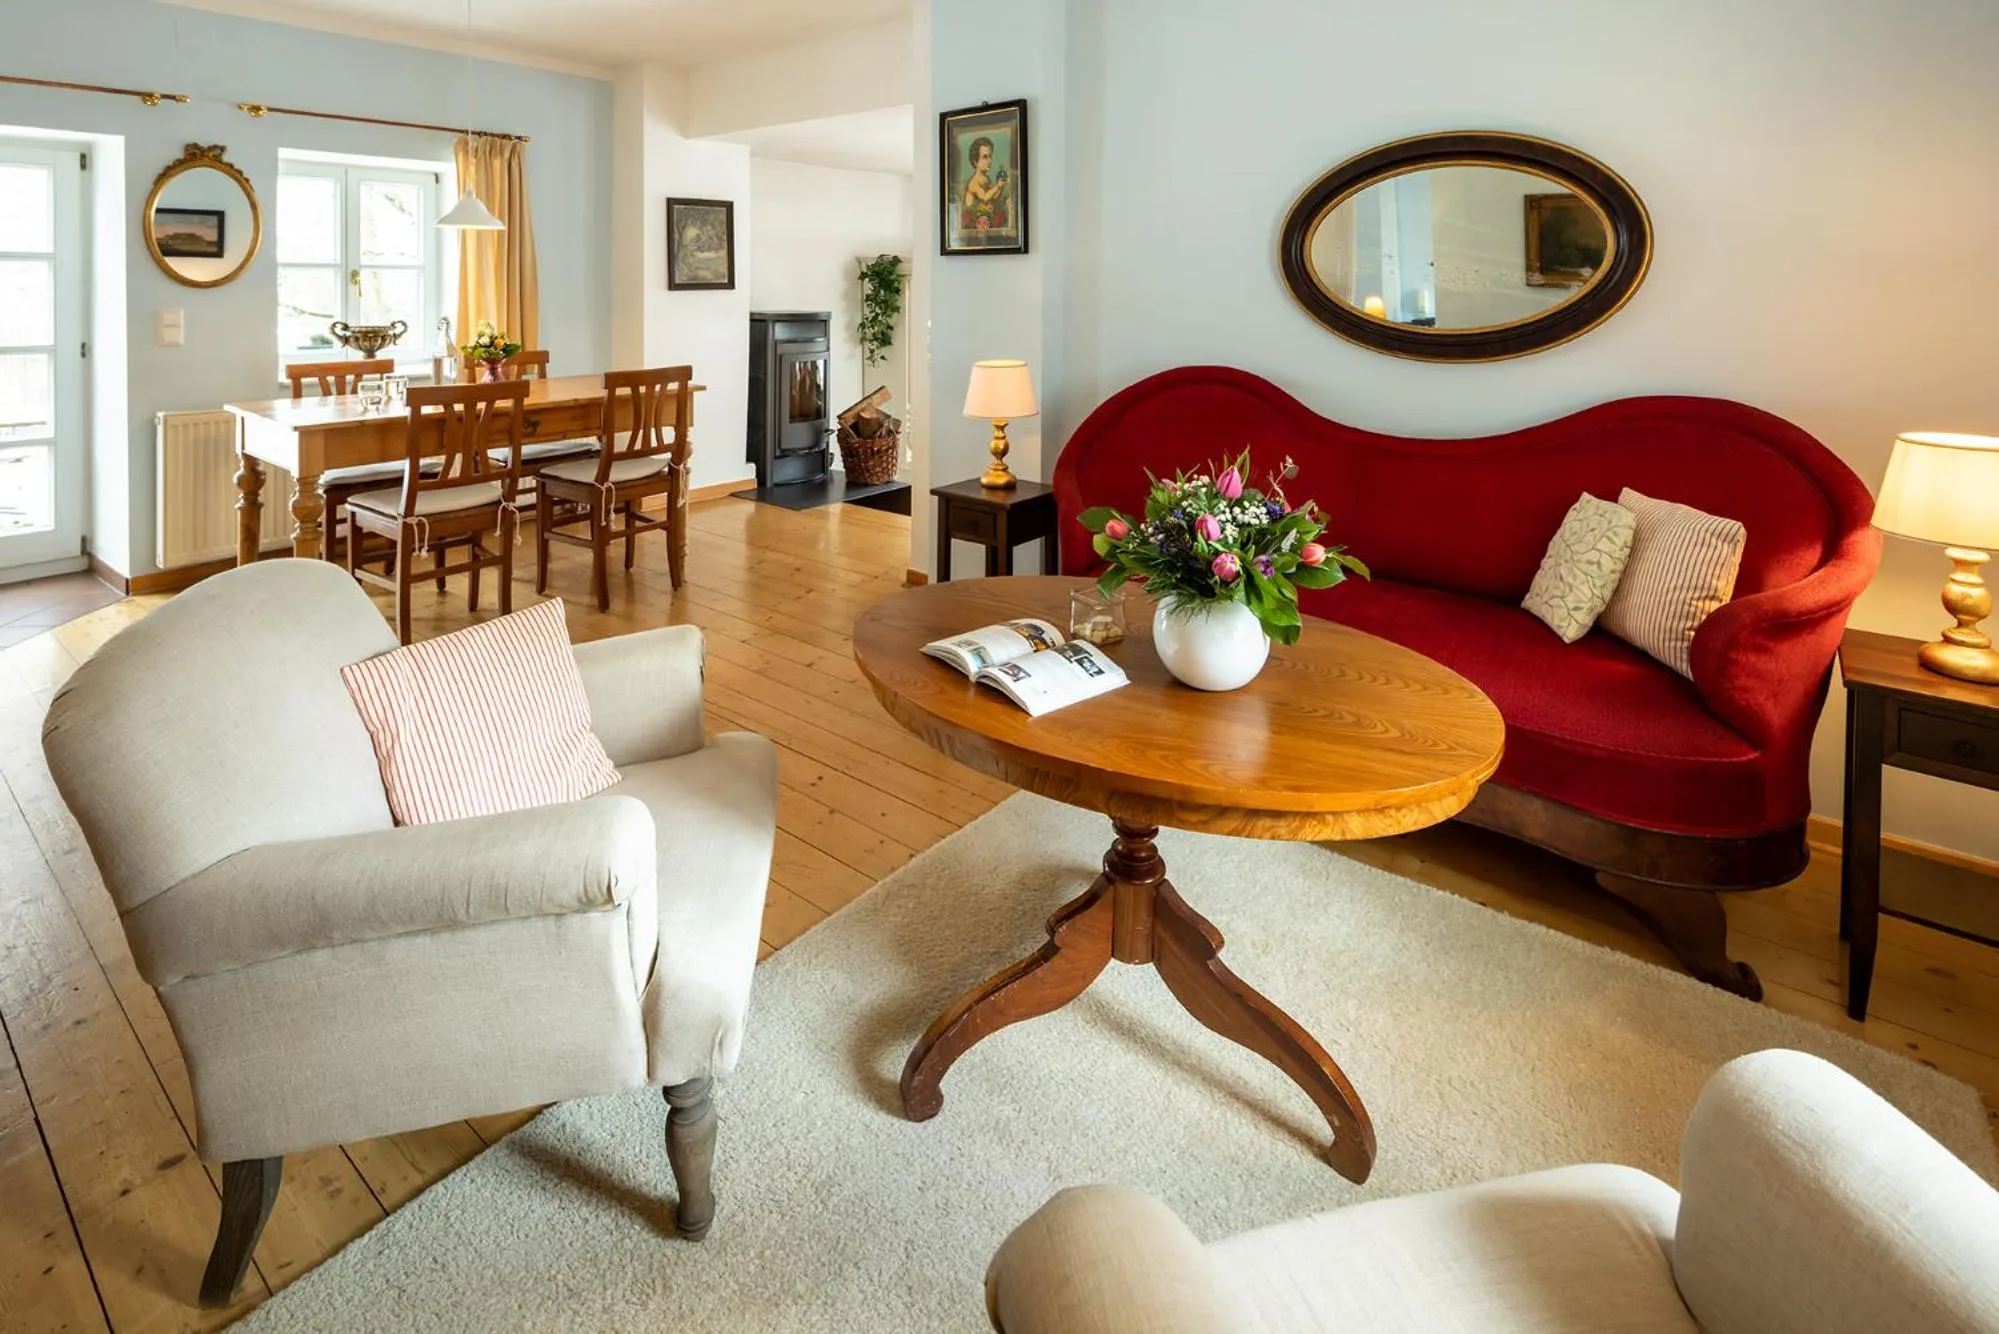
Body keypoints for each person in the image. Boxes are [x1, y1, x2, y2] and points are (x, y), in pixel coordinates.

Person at [960, 136, 1011, 236]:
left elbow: (994, 197)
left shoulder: (986, 179)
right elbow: (985, 197)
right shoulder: (974, 181)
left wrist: (1001, 186)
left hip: (986, 217)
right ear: (975, 161)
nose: (989, 160)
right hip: (973, 222)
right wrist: (997, 186)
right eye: (985, 157)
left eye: (990, 156)